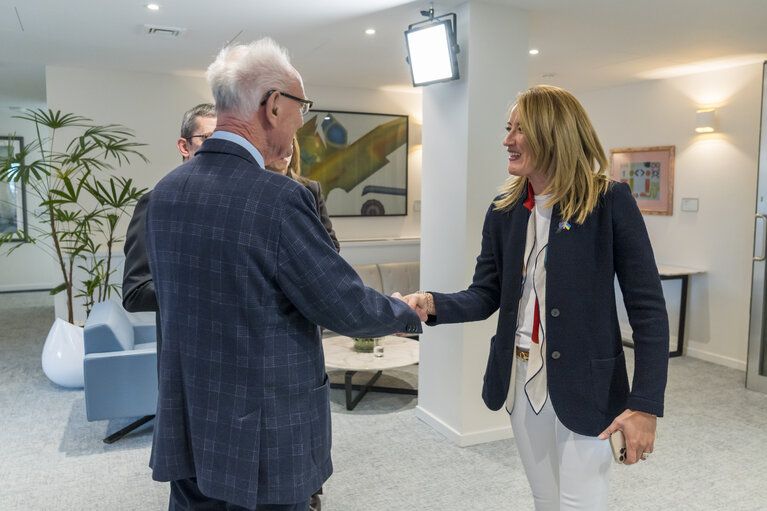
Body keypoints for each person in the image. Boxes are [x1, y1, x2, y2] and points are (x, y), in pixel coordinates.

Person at [145, 38, 424, 511]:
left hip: (189, 422)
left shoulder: (165, 193)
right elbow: (345, 305)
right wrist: (406, 311)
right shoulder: (277, 200)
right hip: (264, 438)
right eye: (302, 107)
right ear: (274, 105)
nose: (303, 121)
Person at [405, 85, 669, 510]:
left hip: (587, 386)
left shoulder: (608, 202)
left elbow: (649, 312)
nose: (507, 140)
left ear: (554, 133)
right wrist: (432, 303)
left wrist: (645, 404)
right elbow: (486, 293)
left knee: (582, 504)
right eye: (507, 129)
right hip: (520, 380)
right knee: (545, 499)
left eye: (520, 129)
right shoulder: (505, 211)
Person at [122, 103, 216, 370]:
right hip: (186, 358)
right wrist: (207, 287)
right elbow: (136, 293)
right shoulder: (156, 203)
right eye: (208, 139)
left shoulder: (242, 202)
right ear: (184, 147)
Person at [266, 136, 340, 252]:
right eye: (278, 143)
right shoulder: (256, 189)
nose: (286, 150)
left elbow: (332, 245)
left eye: (289, 143)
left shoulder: (311, 189)